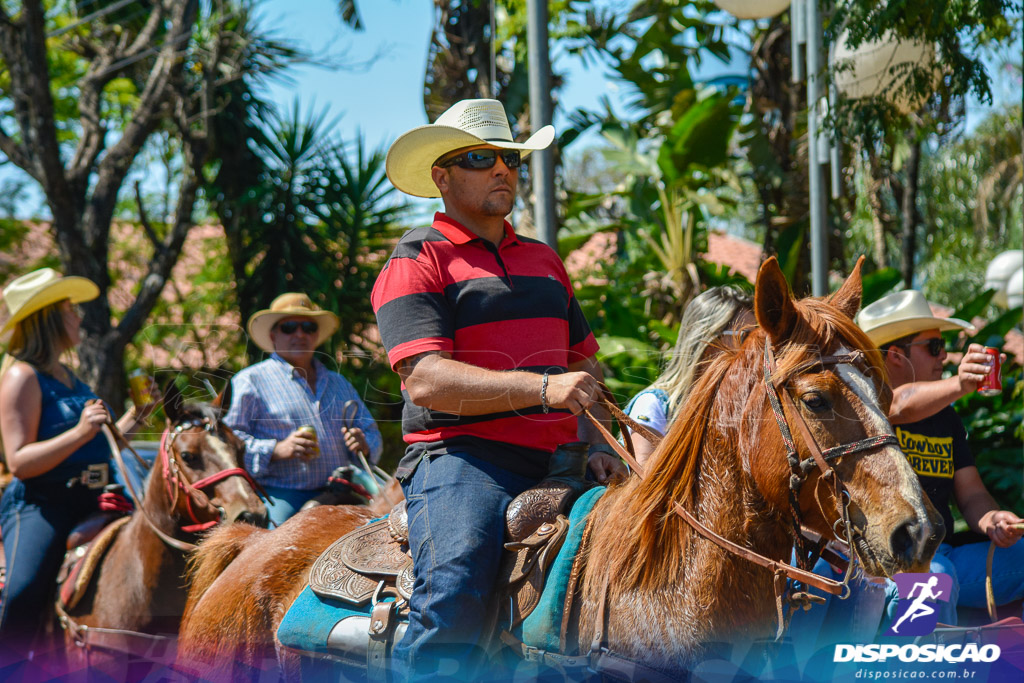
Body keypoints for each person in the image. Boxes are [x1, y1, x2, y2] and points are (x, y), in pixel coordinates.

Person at [371, 98, 627, 680]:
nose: (502, 170)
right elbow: (426, 380)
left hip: (561, 461)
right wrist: (541, 390)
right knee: (455, 588)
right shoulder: (417, 257)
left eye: (511, 158)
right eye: (482, 157)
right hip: (462, 460)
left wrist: (603, 446)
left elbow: (586, 370)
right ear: (441, 175)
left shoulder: (544, 260)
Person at [0, 268, 152, 649]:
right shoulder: (22, 376)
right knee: (23, 592)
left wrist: (137, 416)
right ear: (48, 318)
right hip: (42, 506)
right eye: (70, 309)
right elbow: (18, 461)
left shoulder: (70, 375)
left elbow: (100, 441)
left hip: (95, 499)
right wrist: (79, 431)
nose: (78, 317)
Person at [856, 289, 1024, 627]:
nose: (944, 357)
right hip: (887, 562)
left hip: (943, 555)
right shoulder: (866, 406)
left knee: (944, 570)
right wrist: (961, 385)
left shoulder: (947, 420)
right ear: (894, 355)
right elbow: (900, 404)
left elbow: (972, 494)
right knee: (935, 578)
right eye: (934, 347)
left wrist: (993, 519)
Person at [224, 292, 382, 527]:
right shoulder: (250, 381)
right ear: (273, 335)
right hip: (282, 493)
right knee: (271, 542)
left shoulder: (339, 383)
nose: (300, 334)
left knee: (386, 530)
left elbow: (370, 431)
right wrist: (277, 449)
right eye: (289, 327)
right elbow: (228, 445)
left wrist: (364, 444)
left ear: (316, 335)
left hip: (342, 490)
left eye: (308, 327)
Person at [623, 285, 754, 465]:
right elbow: (642, 482)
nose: (757, 348)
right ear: (709, 342)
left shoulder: (745, 408)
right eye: (747, 337)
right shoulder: (655, 405)